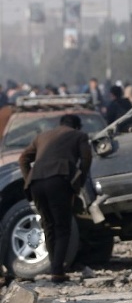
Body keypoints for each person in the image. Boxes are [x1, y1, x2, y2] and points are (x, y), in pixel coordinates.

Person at [18, 114, 92, 283]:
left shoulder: (41, 136)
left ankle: (55, 268)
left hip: (36, 183)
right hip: (59, 181)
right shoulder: (79, 136)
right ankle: (57, 271)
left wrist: (28, 178)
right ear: (78, 126)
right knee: (62, 226)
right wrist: (79, 180)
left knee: (48, 225)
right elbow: (86, 158)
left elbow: (23, 158)